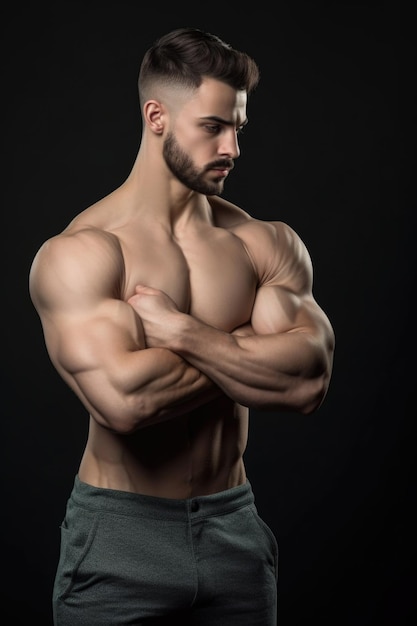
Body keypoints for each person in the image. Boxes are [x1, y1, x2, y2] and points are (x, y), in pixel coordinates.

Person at [29, 26, 335, 626]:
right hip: (120, 538)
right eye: (213, 127)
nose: (233, 149)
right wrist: (247, 344)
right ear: (157, 117)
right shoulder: (85, 253)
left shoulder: (260, 243)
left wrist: (186, 334)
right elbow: (125, 401)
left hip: (234, 532)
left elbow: (309, 383)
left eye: (238, 129)